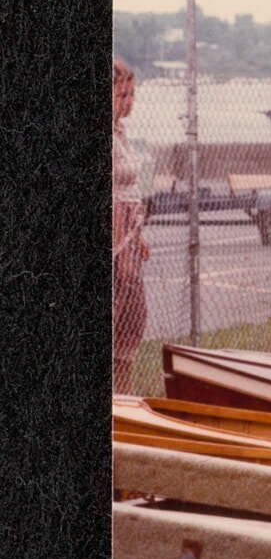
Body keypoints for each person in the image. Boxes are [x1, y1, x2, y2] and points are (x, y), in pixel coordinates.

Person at [112, 57, 150, 393]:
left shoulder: (120, 132)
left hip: (130, 233)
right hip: (116, 238)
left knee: (134, 316)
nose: (129, 102)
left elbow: (131, 189)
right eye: (122, 95)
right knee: (118, 314)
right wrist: (122, 252)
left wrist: (139, 237)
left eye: (132, 94)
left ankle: (123, 394)